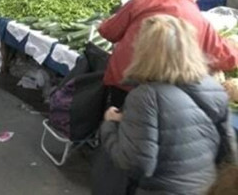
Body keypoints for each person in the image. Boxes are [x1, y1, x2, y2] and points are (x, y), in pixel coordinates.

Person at [100, 15, 237, 195]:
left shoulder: (145, 97)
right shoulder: (214, 88)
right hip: (206, 188)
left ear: (144, 51)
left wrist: (109, 126)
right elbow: (228, 152)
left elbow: (136, 165)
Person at [99, 0, 238, 107]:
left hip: (122, 82)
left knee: (119, 123)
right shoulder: (196, 17)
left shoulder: (140, 1)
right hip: (160, 96)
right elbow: (225, 57)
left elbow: (108, 32)